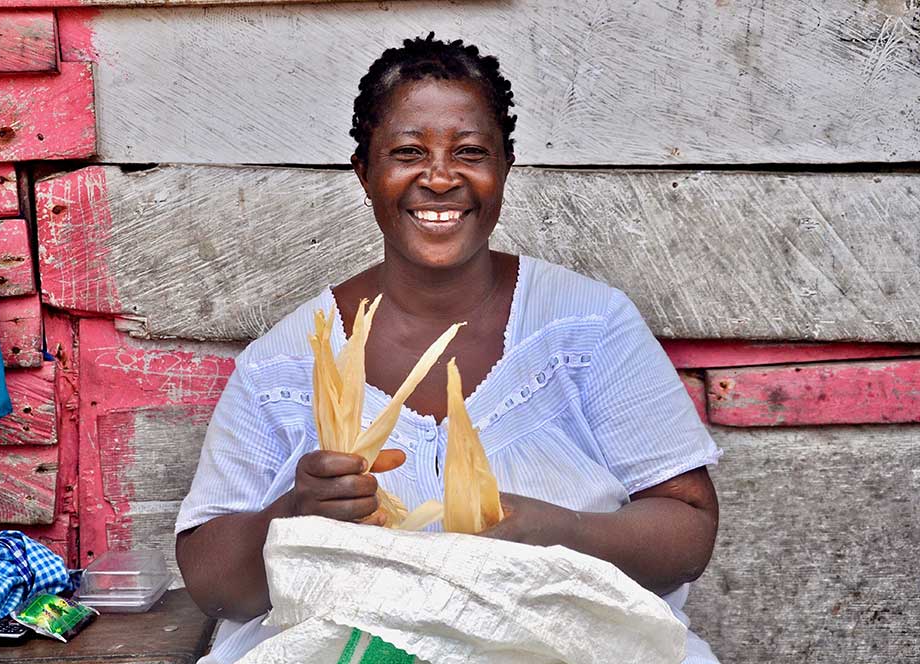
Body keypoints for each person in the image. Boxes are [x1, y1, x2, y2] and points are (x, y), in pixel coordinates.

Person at [175, 34, 722, 664]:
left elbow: (688, 532)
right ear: (365, 173)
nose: (439, 178)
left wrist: (566, 534)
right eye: (408, 152)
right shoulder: (286, 361)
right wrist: (296, 516)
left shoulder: (588, 327)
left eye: (470, 152)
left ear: (505, 169)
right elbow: (212, 583)